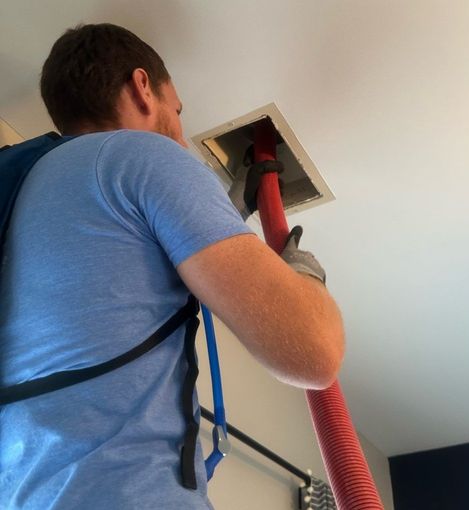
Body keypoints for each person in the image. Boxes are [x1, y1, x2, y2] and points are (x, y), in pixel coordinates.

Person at [0, 23, 344, 510]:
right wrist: (304, 274)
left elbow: (116, 287)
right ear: (143, 88)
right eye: (177, 111)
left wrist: (227, 214)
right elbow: (313, 353)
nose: (180, 136)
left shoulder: (26, 192)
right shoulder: (140, 155)